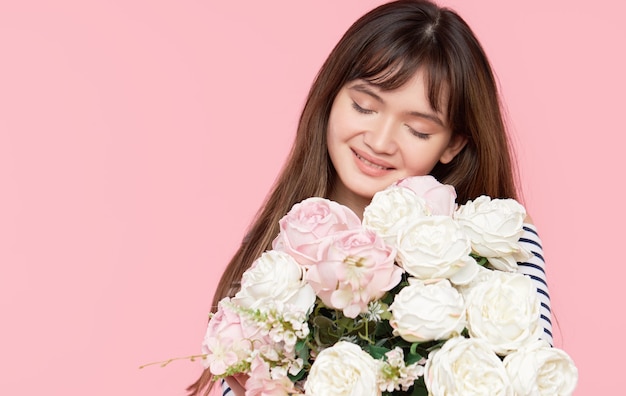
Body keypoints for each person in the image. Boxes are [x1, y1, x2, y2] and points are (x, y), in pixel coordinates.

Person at [187, 0, 553, 395]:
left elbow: (536, 379)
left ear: (453, 144)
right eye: (364, 107)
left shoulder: (500, 243)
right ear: (331, 97)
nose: (379, 142)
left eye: (417, 130)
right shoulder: (273, 263)